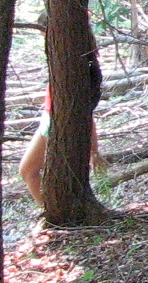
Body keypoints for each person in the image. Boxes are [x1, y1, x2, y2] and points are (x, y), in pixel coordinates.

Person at [19, 65, 104, 203]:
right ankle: (50, 211)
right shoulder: (75, 64)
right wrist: (94, 150)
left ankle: (50, 214)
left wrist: (94, 150)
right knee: (30, 171)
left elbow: (86, 113)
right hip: (50, 116)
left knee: (28, 170)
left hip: (55, 120)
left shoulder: (77, 69)